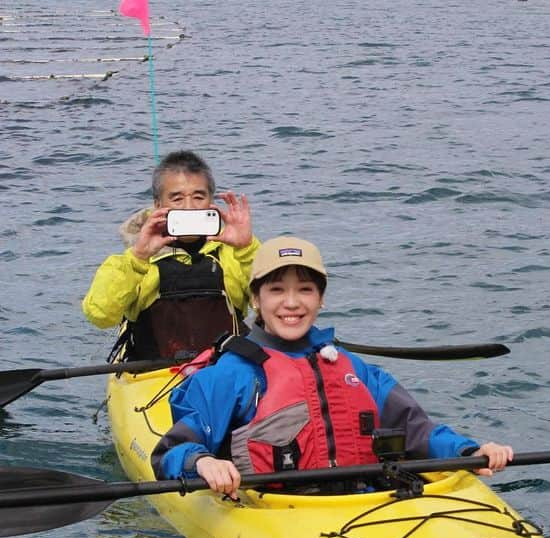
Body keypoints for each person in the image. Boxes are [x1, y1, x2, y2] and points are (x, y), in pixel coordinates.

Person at [151, 236, 513, 497]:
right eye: (276, 290)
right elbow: (171, 451)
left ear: (321, 299)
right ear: (256, 300)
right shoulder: (232, 373)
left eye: (305, 290)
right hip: (278, 511)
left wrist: (467, 451)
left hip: (368, 501)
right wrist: (202, 463)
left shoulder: (354, 369)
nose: (291, 303)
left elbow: (418, 432)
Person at [82, 150, 259, 361]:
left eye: (199, 197)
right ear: (158, 205)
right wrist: (137, 258)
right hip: (153, 377)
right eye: (177, 198)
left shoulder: (235, 253)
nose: (189, 207)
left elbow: (272, 305)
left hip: (224, 371)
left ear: (211, 201)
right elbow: (100, 316)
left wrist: (246, 249)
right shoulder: (134, 260)